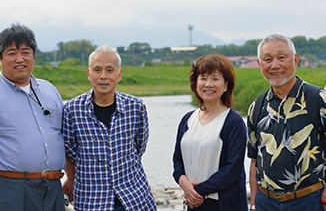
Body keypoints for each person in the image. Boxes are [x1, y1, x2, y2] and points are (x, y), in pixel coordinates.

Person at [0, 24, 66, 211]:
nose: (20, 59)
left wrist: (70, 179)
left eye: (25, 52)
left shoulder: (49, 90)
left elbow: (62, 138)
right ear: (0, 58)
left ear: (33, 55)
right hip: (7, 189)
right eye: (11, 53)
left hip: (52, 188)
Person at [62, 45, 156, 210]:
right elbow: (70, 151)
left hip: (135, 200)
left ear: (119, 75)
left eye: (110, 70)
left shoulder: (136, 107)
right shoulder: (72, 110)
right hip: (92, 202)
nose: (103, 76)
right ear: (89, 74)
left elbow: (138, 148)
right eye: (97, 70)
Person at [247, 34, 326, 211]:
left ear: (295, 60)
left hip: (311, 200)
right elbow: (254, 161)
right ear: (260, 65)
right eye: (267, 59)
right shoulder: (257, 107)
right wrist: (253, 203)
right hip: (266, 202)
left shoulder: (318, 100)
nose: (275, 65)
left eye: (281, 57)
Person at [172, 54, 248, 211]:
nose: (208, 84)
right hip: (194, 203)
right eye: (203, 78)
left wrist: (197, 192)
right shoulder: (187, 119)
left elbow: (232, 169)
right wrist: (184, 183)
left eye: (215, 79)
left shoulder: (233, 122)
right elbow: (177, 161)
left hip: (223, 204)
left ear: (226, 85)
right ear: (195, 83)